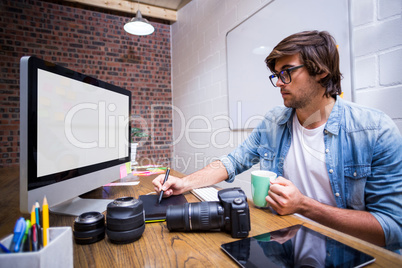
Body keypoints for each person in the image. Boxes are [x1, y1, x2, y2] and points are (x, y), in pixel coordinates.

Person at [153, 30, 402, 251]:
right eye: (276, 75)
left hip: (349, 252)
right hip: (284, 242)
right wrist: (184, 183)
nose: (280, 83)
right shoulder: (274, 121)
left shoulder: (374, 130)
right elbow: (232, 161)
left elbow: (392, 228)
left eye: (288, 72)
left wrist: (304, 205)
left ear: (322, 70)